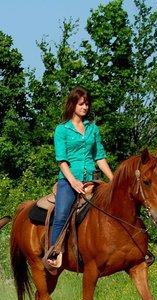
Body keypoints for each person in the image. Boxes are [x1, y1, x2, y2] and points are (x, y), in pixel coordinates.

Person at [48, 86, 114, 268]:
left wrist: (113, 179)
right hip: (69, 180)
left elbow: (99, 157)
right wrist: (74, 182)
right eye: (81, 104)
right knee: (61, 214)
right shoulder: (62, 130)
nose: (85, 107)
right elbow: (61, 160)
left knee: (118, 203)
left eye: (87, 104)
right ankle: (54, 252)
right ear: (73, 104)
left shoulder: (93, 129)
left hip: (93, 179)